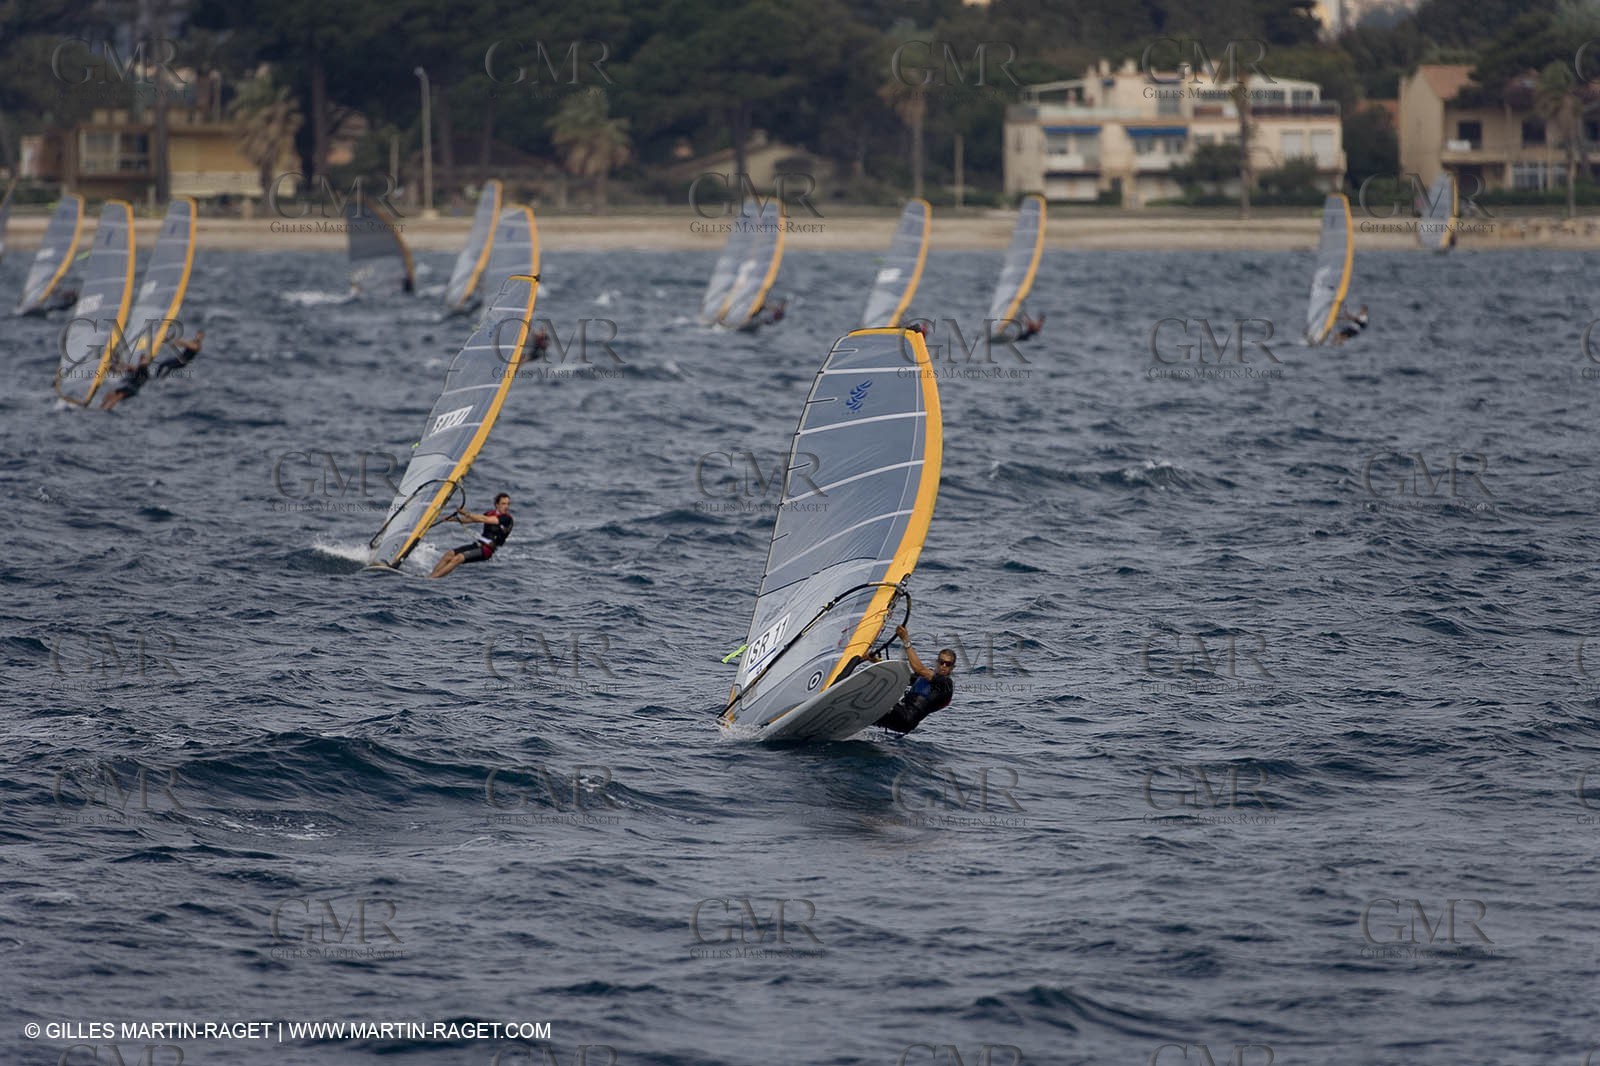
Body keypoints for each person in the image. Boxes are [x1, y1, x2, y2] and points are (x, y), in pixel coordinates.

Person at [874, 625, 956, 735]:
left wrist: (906, 640)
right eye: (941, 662)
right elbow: (898, 677)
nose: (943, 666)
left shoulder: (946, 683)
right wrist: (876, 661)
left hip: (905, 718)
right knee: (868, 715)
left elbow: (919, 669)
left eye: (948, 664)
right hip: (898, 715)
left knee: (876, 699)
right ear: (937, 662)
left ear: (952, 667)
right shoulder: (924, 678)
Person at [430, 492, 515, 579]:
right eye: (503, 504)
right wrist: (453, 519)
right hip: (478, 545)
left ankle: (433, 578)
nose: (506, 506)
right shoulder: (490, 513)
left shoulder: (506, 519)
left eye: (508, 504)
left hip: (487, 550)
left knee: (458, 558)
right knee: (449, 554)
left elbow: (484, 519)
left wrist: (466, 513)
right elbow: (471, 520)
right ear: (497, 505)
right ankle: (430, 576)